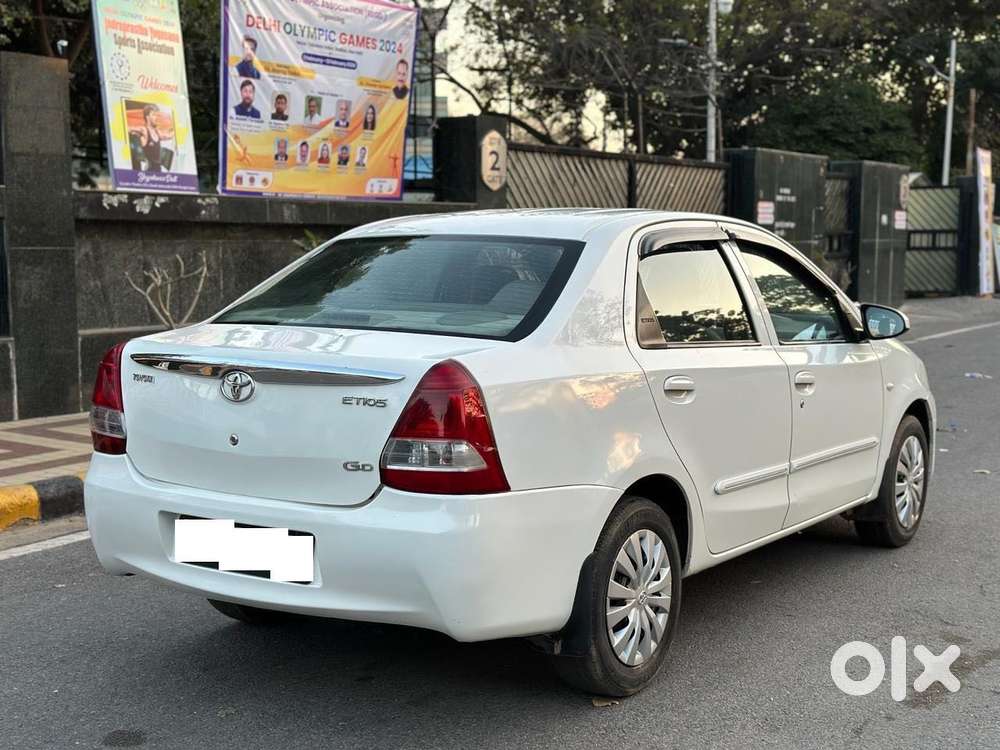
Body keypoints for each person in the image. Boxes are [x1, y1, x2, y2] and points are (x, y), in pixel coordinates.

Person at [132, 104, 164, 171]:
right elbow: (128, 129)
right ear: (147, 117)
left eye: (156, 115)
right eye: (153, 115)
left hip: (158, 170)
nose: (156, 117)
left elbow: (167, 135)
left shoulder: (157, 132)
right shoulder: (144, 130)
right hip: (149, 171)